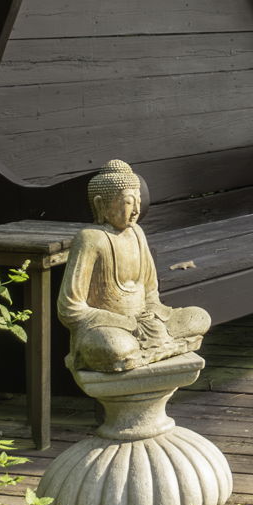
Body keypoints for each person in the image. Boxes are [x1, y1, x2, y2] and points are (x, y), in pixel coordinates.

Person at [58, 159, 210, 373]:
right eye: (128, 202)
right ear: (101, 204)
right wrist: (125, 322)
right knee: (117, 348)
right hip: (108, 327)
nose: (137, 210)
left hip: (146, 322)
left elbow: (150, 292)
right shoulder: (90, 239)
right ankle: (145, 348)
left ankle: (151, 345)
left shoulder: (137, 233)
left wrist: (152, 315)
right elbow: (69, 309)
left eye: (139, 201)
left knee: (199, 318)